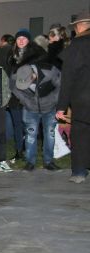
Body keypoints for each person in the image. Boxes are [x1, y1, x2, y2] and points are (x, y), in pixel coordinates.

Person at [56, 11, 90, 183]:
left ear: (80, 26)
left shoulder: (76, 46)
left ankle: (79, 171)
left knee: (79, 135)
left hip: (83, 100)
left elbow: (67, 79)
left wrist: (61, 106)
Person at [12, 62, 61, 172]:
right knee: (30, 134)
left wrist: (54, 100)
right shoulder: (19, 73)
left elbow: (61, 86)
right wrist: (25, 101)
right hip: (30, 109)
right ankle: (30, 162)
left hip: (49, 108)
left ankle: (49, 162)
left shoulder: (50, 71)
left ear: (34, 74)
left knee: (50, 134)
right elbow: (13, 86)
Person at [7, 28, 46, 162]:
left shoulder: (37, 55)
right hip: (14, 97)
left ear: (29, 41)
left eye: (24, 38)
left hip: (30, 96)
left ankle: (29, 151)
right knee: (17, 125)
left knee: (29, 125)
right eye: (19, 38)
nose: (21, 41)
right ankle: (19, 151)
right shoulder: (11, 57)